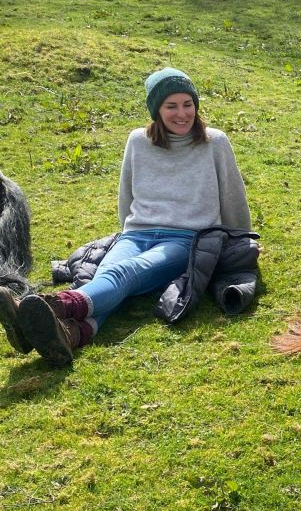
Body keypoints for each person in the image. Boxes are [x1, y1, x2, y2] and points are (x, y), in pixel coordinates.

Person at [0, 67, 252, 366]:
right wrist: (129, 232)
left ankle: (51, 307)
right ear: (156, 109)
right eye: (171, 106)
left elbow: (233, 197)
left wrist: (242, 245)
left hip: (185, 239)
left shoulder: (215, 142)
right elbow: (126, 196)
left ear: (196, 106)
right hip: (136, 233)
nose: (182, 113)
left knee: (123, 274)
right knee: (109, 276)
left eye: (188, 104)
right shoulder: (138, 141)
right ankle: (70, 334)